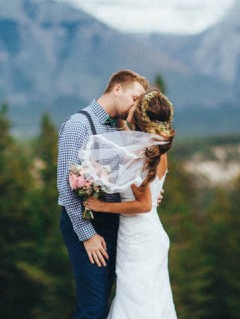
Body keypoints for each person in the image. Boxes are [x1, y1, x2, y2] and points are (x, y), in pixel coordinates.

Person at [57, 70, 149, 319]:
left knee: (106, 304)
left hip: (114, 222)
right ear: (116, 89)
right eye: (134, 97)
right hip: (86, 222)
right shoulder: (79, 124)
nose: (136, 105)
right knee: (93, 307)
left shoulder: (121, 129)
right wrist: (87, 235)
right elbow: (65, 186)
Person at [84, 89, 177, 318]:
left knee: (136, 303)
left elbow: (143, 204)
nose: (130, 105)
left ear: (140, 116)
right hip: (147, 234)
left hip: (139, 240)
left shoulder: (140, 154)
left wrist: (102, 206)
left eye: (135, 103)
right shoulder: (156, 148)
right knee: (149, 300)